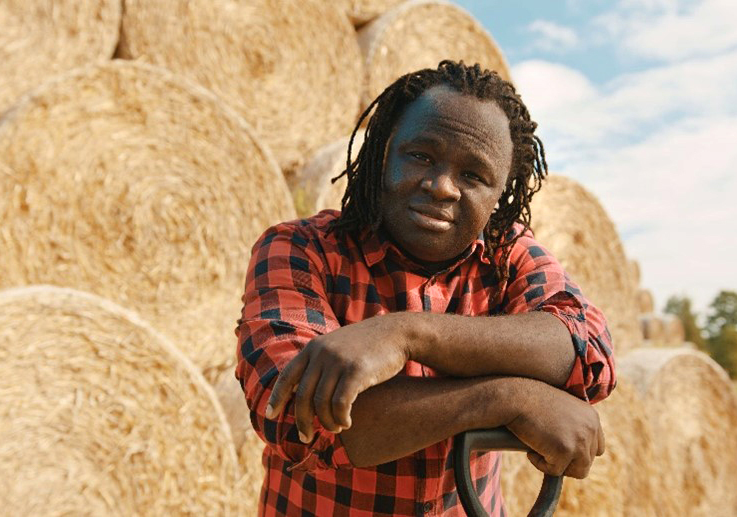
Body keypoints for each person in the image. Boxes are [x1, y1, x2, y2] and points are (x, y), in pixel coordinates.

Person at [235, 60, 616, 516]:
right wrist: (505, 398)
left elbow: (587, 349)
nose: (441, 187)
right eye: (420, 156)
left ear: (501, 196)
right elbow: (299, 420)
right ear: (383, 153)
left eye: (473, 176)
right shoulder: (300, 249)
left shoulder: (506, 254)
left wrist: (406, 335)